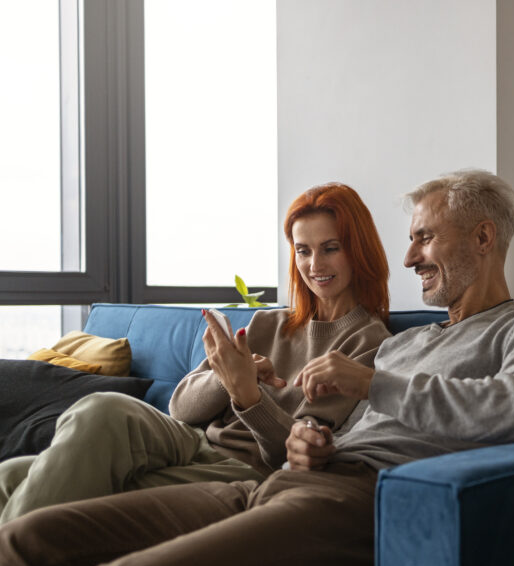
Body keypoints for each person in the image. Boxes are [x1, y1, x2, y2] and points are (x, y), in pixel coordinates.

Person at [0, 169, 514, 566]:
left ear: (482, 237)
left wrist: (371, 384)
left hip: (357, 503)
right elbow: (320, 429)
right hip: (282, 483)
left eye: (424, 237)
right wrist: (310, 443)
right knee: (23, 546)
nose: (409, 256)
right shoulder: (407, 343)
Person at [0, 182, 392, 524]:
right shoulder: (265, 324)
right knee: (98, 410)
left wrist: (247, 395)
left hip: (245, 470)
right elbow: (180, 409)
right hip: (191, 441)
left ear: (357, 251)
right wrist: (232, 376)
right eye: (303, 251)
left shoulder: (368, 344)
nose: (314, 264)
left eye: (330, 248)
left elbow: (291, 455)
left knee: (20, 477)